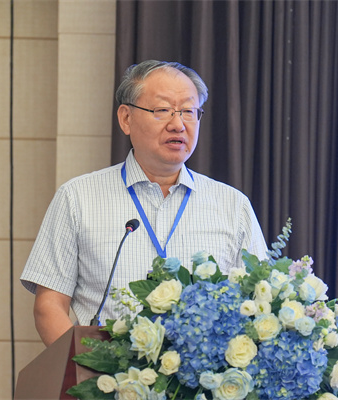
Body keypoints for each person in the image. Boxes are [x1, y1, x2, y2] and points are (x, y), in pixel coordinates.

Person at [21, 60, 268, 346]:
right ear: (126, 118)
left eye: (189, 112)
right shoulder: (77, 198)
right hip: (106, 371)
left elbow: (261, 302)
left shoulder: (233, 206)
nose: (178, 124)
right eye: (162, 110)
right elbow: (49, 306)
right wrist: (84, 368)